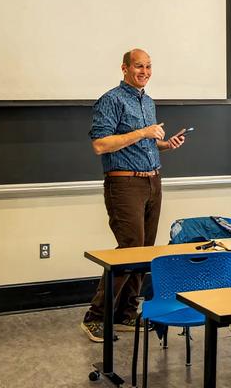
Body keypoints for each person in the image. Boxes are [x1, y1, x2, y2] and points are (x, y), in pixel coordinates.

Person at [81, 49, 185, 342]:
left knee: (144, 250)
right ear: (124, 68)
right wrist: (142, 133)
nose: (145, 71)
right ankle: (96, 317)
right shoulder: (111, 100)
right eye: (139, 66)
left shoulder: (147, 101)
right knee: (129, 248)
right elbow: (101, 144)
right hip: (124, 184)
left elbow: (146, 143)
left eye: (149, 66)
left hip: (152, 181)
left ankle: (125, 313)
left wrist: (165, 144)